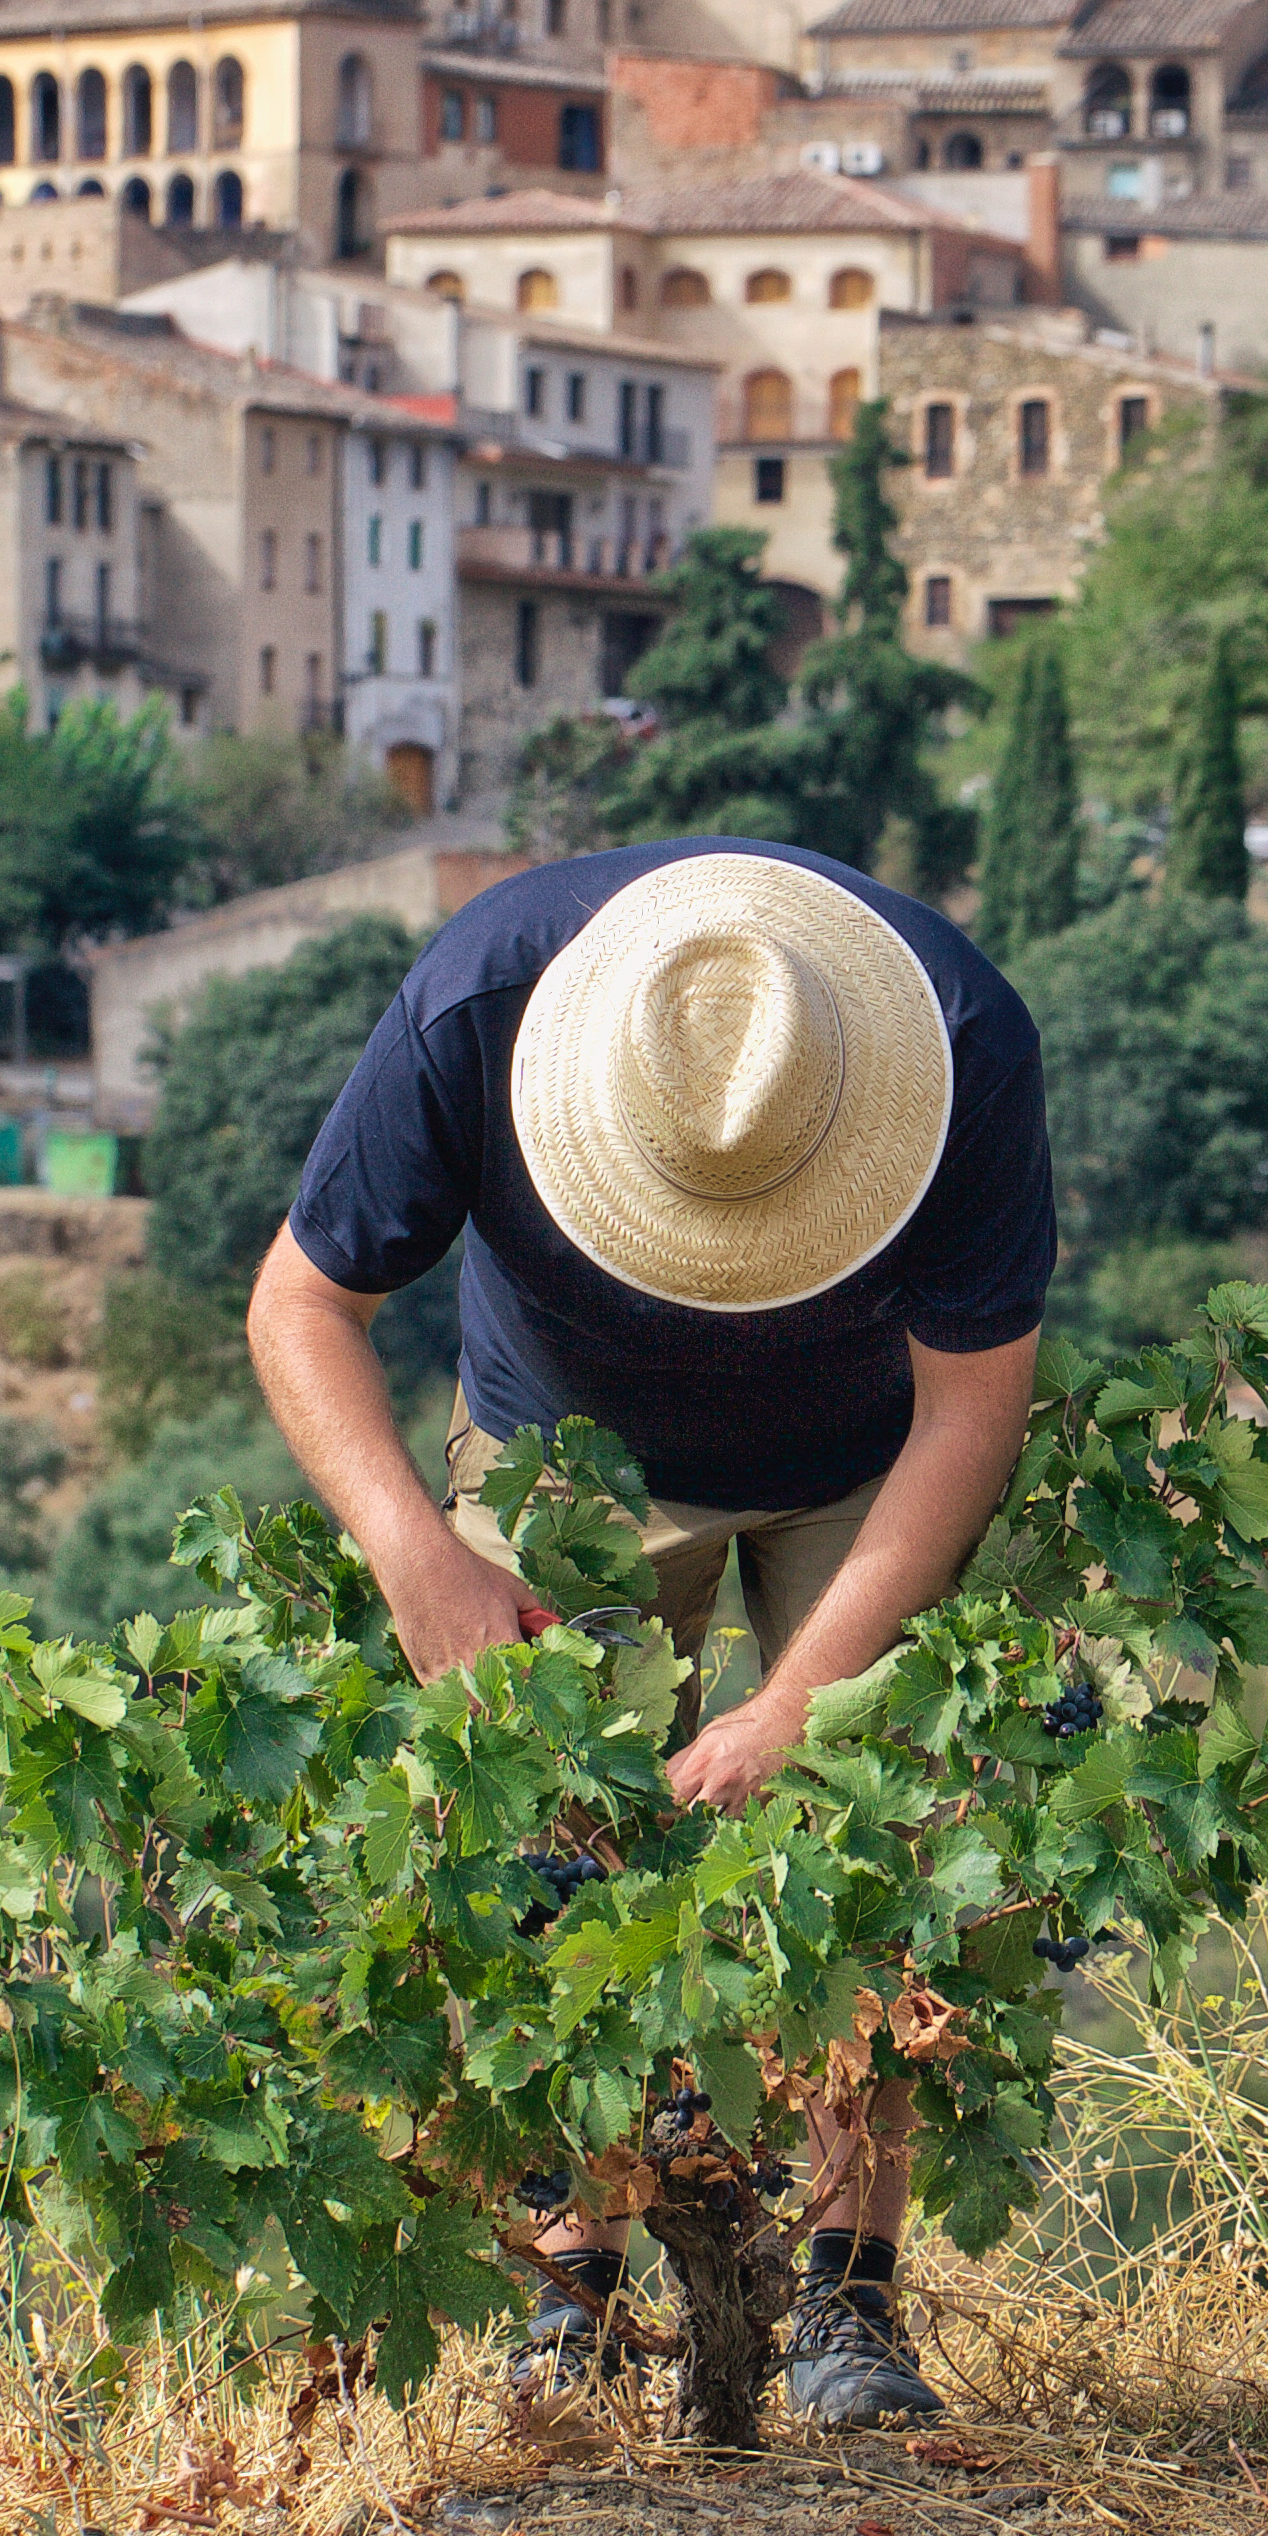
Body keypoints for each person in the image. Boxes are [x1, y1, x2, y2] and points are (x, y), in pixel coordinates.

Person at [246, 839, 1054, 2429]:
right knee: (542, 1842)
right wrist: (421, 1563)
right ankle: (572, 2292)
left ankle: (848, 2304)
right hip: (573, 1455)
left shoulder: (959, 1045)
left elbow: (973, 1415)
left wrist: (795, 1709)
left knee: (877, 1820)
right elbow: (297, 1306)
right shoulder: (477, 1004)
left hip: (869, 1458)